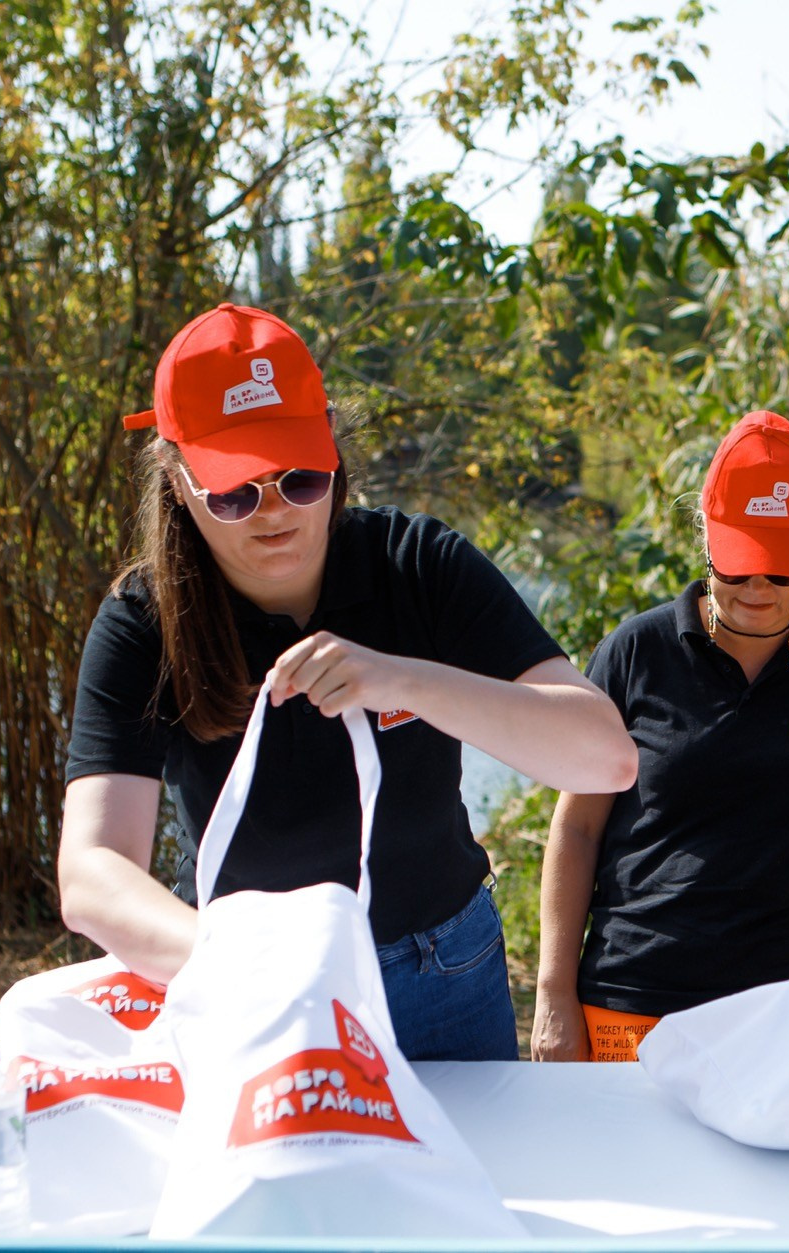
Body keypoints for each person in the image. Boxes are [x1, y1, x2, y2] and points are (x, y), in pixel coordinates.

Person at [58, 303, 638, 1061]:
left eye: (300, 477)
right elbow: (92, 872)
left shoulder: (417, 563)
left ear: (331, 444)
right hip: (251, 986)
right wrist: (228, 962)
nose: (273, 514)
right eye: (234, 492)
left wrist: (407, 681)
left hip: (441, 972)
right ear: (176, 477)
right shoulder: (145, 621)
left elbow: (605, 758)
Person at [533, 411, 789, 1062]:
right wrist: (552, 993)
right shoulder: (634, 654)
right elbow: (578, 828)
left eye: (781, 570)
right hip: (636, 1002)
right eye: (737, 567)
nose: (758, 588)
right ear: (705, 533)